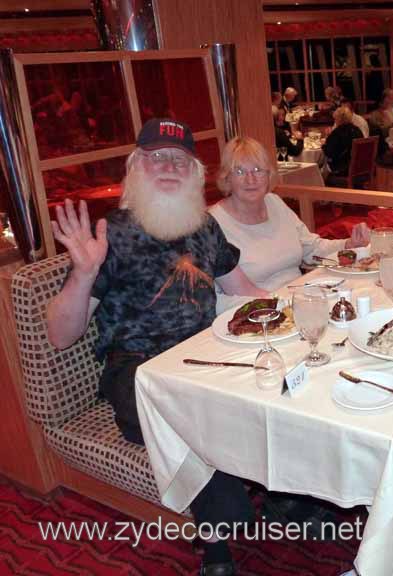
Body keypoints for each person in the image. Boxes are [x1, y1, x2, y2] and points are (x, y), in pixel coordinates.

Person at [46, 118, 270, 576]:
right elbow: (61, 336)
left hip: (205, 356)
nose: (168, 165)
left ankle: (293, 499)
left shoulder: (205, 227)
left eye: (179, 159)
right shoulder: (111, 234)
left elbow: (245, 291)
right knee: (187, 412)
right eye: (156, 157)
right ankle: (218, 549)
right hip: (138, 371)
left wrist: (302, 306)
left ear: (194, 173)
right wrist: (84, 273)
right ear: (135, 167)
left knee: (274, 379)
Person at [210, 137, 369, 307]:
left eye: (257, 170)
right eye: (240, 171)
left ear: (268, 175)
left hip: (302, 299)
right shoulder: (213, 224)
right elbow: (215, 298)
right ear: (227, 178)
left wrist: (348, 245)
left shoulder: (274, 202)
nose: (251, 179)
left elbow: (311, 248)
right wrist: (274, 305)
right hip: (260, 311)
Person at [322, 106, 364, 178]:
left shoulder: (338, 133)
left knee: (319, 168)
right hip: (359, 168)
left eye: (335, 119)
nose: (335, 121)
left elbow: (330, 153)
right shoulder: (357, 130)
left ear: (339, 119)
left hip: (342, 169)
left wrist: (323, 145)